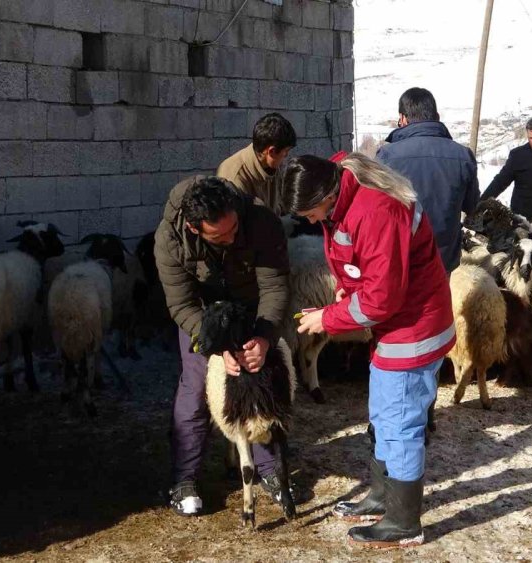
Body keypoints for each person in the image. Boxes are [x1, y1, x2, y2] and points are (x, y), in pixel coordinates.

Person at [280, 151, 455, 548]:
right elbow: (371, 267)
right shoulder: (343, 188)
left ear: (326, 195)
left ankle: (404, 521)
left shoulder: (376, 211)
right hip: (394, 328)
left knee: (401, 425)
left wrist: (328, 318)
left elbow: (381, 298)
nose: (310, 222)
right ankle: (382, 496)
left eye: (310, 213)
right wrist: (349, 287)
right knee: (382, 415)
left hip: (412, 329)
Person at [154, 175, 297, 516]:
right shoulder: (169, 241)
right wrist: (215, 349)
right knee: (196, 387)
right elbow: (181, 306)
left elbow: (275, 286)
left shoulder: (260, 221)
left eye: (235, 229)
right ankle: (184, 478)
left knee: (259, 382)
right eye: (221, 236)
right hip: (205, 316)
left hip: (251, 309)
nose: (232, 238)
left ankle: (268, 471)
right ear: (193, 228)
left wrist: (263, 336)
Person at [376, 87, 480, 272]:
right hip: (443, 261)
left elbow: (375, 210)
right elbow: (472, 206)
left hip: (400, 259)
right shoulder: (462, 156)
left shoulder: (387, 156)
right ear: (437, 116)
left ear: (402, 119)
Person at [217, 112, 297, 213]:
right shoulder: (234, 177)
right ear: (271, 151)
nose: (286, 156)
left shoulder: (272, 164)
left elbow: (281, 204)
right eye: (286, 151)